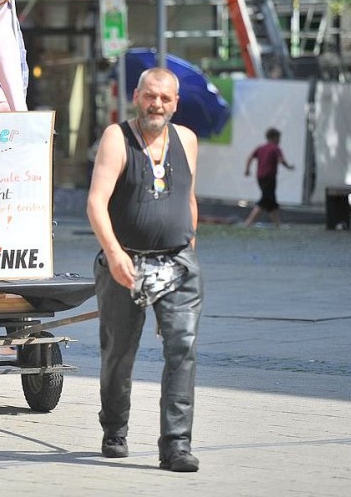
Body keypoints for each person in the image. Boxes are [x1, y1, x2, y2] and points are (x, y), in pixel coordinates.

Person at [87, 67, 203, 472]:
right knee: (119, 353)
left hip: (177, 263)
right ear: (137, 96)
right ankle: (114, 428)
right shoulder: (117, 138)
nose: (157, 105)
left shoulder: (186, 139)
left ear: (175, 103)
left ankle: (176, 445)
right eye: (150, 96)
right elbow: (96, 203)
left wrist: (189, 247)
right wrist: (114, 254)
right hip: (126, 261)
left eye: (165, 99)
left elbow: (189, 199)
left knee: (182, 349)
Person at [243, 127, 295, 227]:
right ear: (274, 138)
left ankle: (278, 225)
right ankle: (249, 222)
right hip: (270, 177)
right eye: (279, 138)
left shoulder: (260, 148)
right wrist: (288, 166)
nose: (280, 140)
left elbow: (250, 157)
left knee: (271, 201)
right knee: (265, 199)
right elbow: (281, 160)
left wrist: (247, 169)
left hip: (260, 177)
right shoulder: (275, 148)